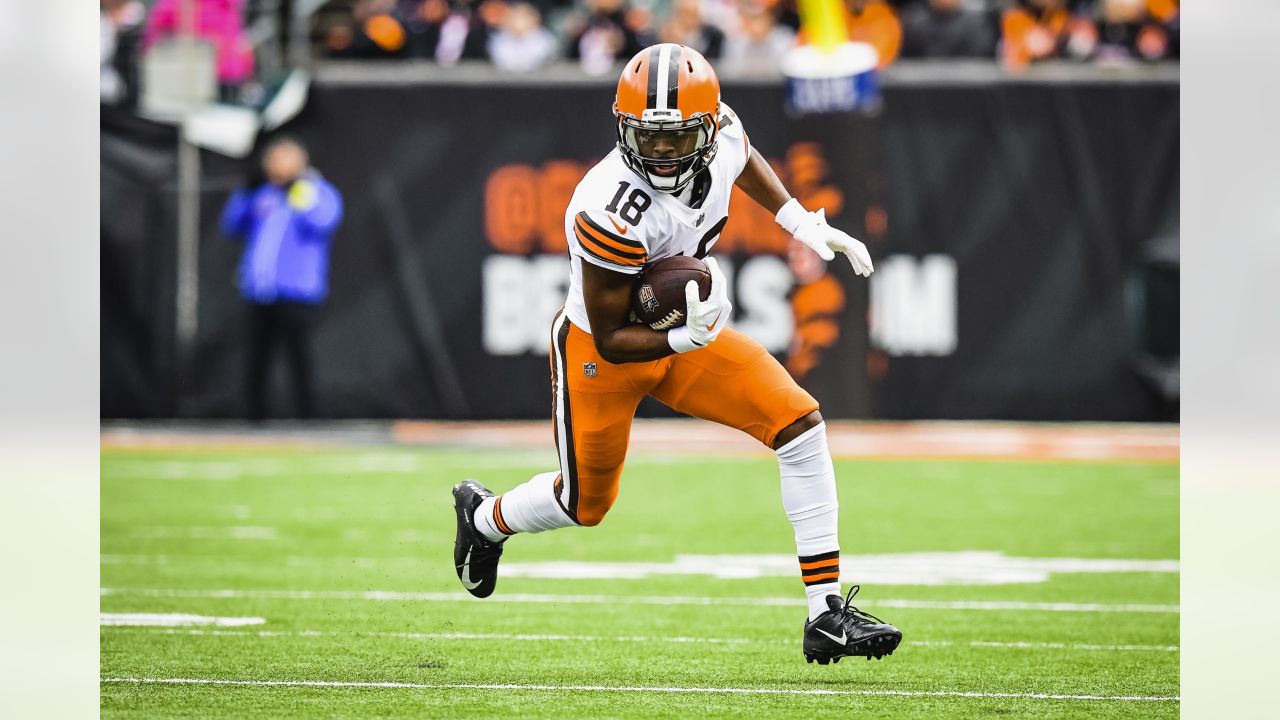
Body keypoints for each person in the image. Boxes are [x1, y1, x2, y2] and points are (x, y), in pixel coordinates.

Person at [452, 43, 901, 665]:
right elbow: (611, 335)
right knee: (584, 505)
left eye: (677, 136)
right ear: (623, 127)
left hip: (679, 330)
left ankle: (825, 615)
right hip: (600, 352)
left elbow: (744, 162)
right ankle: (484, 518)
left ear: (709, 127)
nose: (660, 150)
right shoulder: (605, 204)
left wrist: (802, 223)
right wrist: (685, 338)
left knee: (799, 426)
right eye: (647, 136)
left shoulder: (725, 135)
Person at [220, 137, 344, 421]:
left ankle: (308, 417)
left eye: (284, 158)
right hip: (261, 291)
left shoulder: (314, 190)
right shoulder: (263, 194)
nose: (276, 165)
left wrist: (299, 189)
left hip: (298, 291)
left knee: (300, 358)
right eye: (273, 158)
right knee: (257, 358)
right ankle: (254, 418)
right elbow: (231, 226)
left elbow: (323, 221)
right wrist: (244, 192)